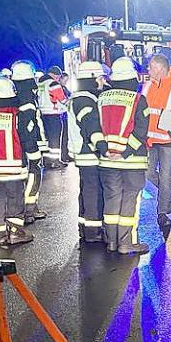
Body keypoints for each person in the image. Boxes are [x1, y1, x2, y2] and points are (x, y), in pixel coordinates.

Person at [97, 57, 150, 254]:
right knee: (130, 200)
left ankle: (111, 241)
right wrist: (126, 151)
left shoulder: (102, 98)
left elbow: (97, 127)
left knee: (111, 198)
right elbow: (141, 130)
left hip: (107, 160)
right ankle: (127, 242)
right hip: (132, 161)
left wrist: (106, 149)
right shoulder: (138, 99)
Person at [0, 78, 39, 245]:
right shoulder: (17, 115)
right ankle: (15, 232)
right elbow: (26, 137)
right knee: (14, 199)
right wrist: (34, 158)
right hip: (13, 167)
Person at [142, 54, 171, 228]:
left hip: (168, 141)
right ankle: (169, 194)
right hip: (150, 140)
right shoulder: (147, 86)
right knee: (147, 172)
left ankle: (162, 213)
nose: (148, 70)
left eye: (150, 67)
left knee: (165, 175)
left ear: (159, 69)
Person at [65, 61, 106, 244]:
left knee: (86, 189)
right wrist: (102, 145)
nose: (102, 81)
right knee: (93, 191)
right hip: (89, 151)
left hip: (82, 151)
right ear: (91, 78)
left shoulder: (78, 97)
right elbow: (89, 125)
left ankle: (84, 227)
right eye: (99, 78)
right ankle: (93, 230)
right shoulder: (85, 100)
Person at [11, 60, 47, 223]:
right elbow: (28, 126)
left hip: (18, 145)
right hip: (29, 146)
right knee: (34, 175)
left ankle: (27, 208)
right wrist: (33, 150)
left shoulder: (16, 94)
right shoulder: (27, 99)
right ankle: (29, 209)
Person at [36, 65, 69, 169]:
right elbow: (62, 99)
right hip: (53, 113)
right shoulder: (53, 83)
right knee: (55, 139)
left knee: (47, 139)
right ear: (56, 75)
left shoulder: (40, 83)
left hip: (43, 113)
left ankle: (47, 161)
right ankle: (55, 161)